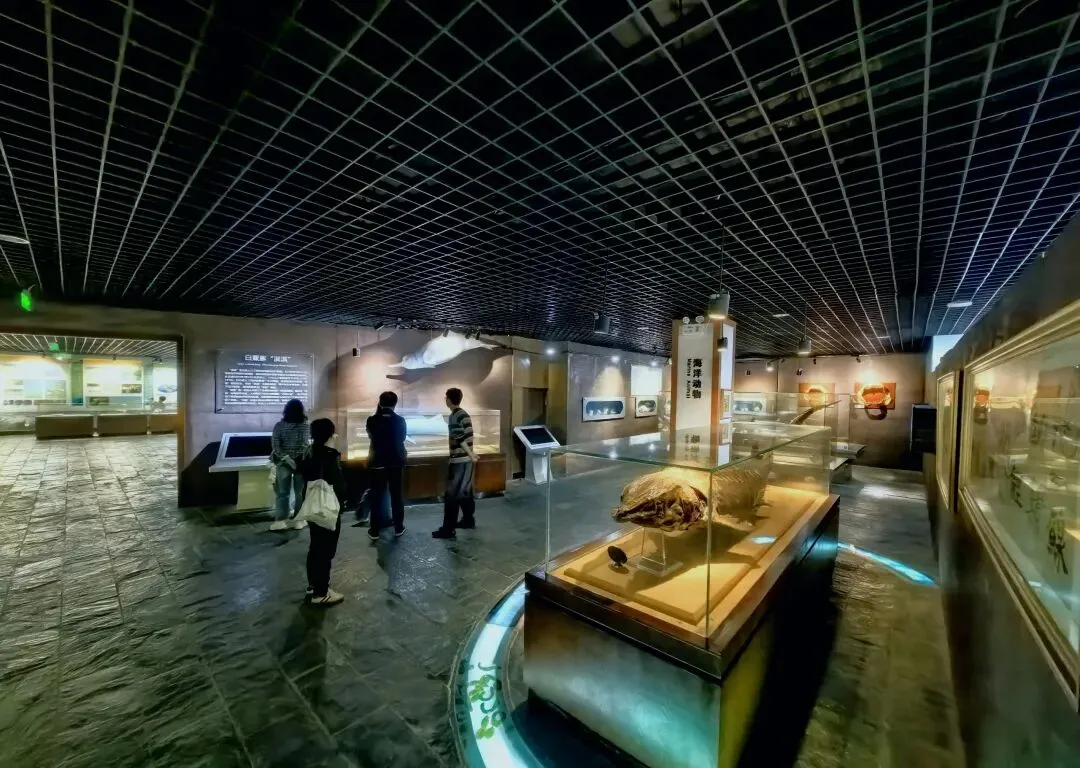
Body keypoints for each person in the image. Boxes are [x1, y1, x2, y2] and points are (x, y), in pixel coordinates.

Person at [297, 418, 346, 606]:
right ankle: (321, 592)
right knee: (326, 550)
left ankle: (313, 585)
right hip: (327, 508)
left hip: (312, 506)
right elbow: (338, 484)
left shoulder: (308, 453)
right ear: (330, 435)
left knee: (315, 547)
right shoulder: (330, 455)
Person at [432, 387, 477, 539]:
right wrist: (471, 455)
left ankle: (448, 529)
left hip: (459, 461)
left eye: (446, 397)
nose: (445, 400)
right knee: (465, 492)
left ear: (449, 399)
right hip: (467, 461)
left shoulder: (454, 416)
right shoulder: (464, 414)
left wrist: (470, 454)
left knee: (451, 495)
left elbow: (459, 438)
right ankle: (468, 520)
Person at [366, 391, 407, 540]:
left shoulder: (372, 420)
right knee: (396, 495)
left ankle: (374, 530)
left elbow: (371, 436)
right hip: (396, 462)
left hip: (377, 462)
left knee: (377, 496)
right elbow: (402, 438)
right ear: (395, 404)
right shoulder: (400, 420)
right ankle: (398, 527)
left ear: (380, 402)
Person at [270, 398, 309, 532]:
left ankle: (280, 521)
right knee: (300, 492)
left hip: (283, 462)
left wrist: (287, 458)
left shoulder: (279, 426)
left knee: (282, 492)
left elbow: (276, 446)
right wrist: (295, 460)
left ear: (286, 410)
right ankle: (299, 520)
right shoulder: (305, 425)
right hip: (300, 462)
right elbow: (305, 445)